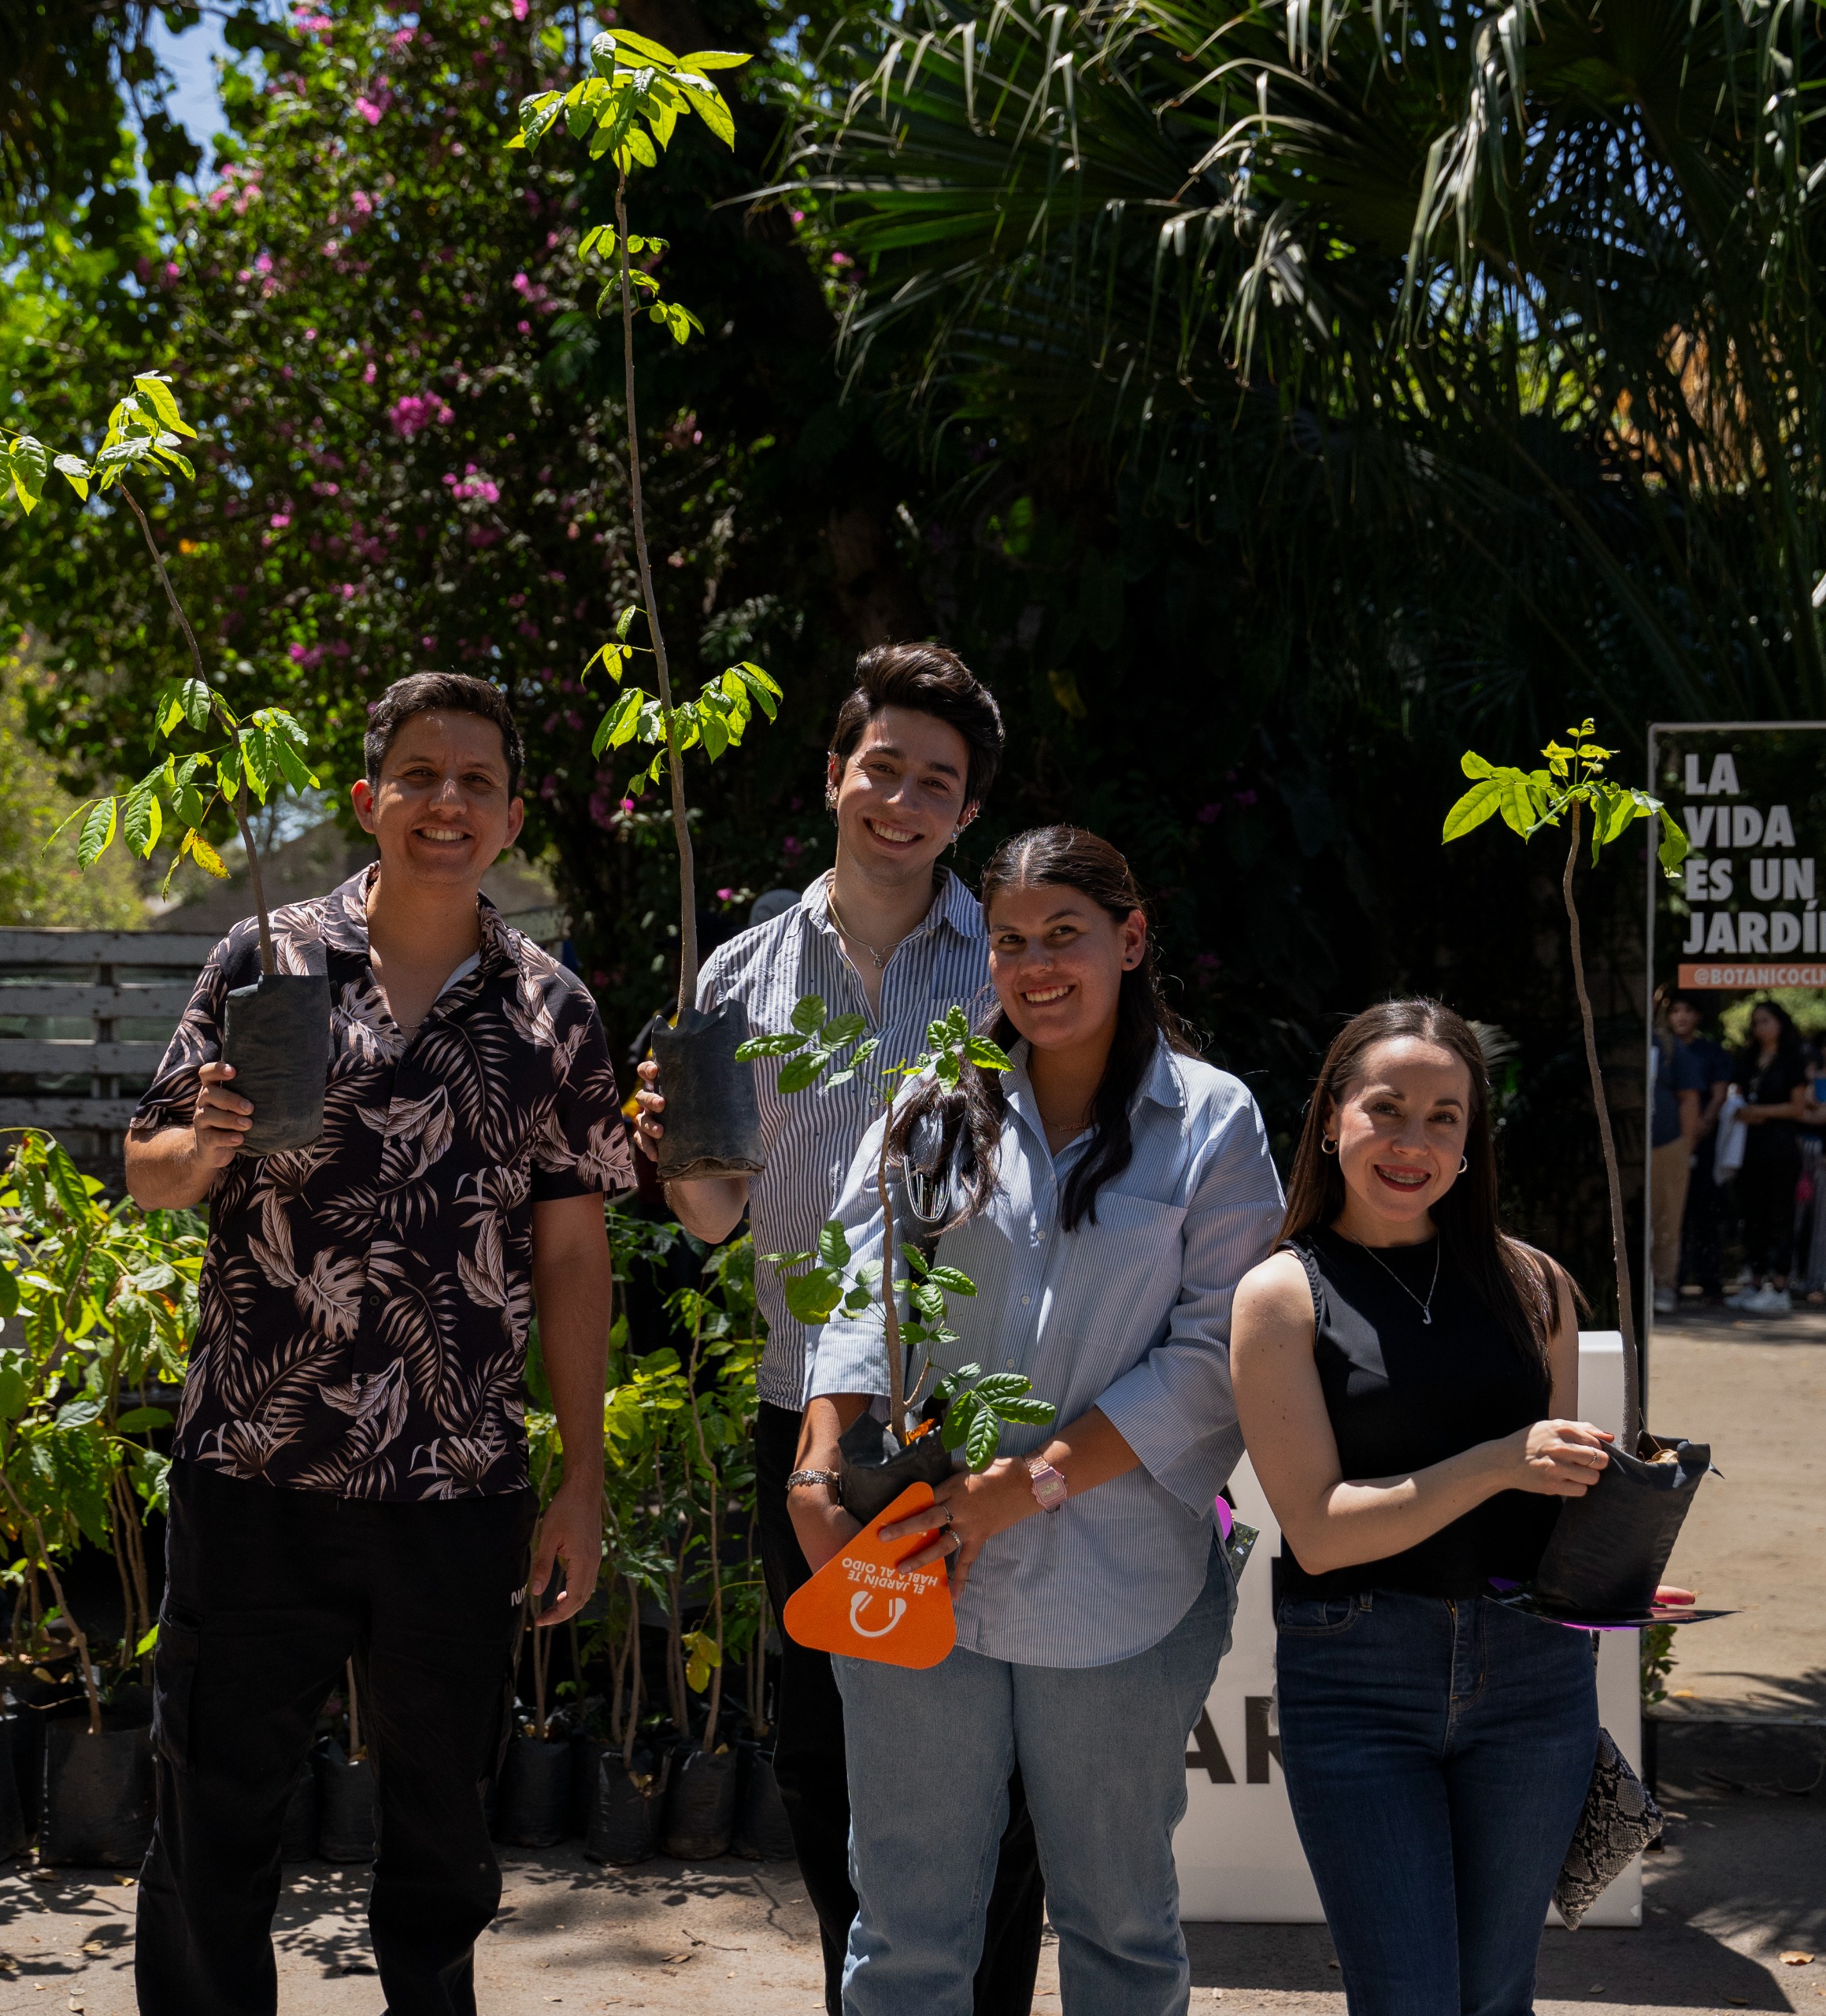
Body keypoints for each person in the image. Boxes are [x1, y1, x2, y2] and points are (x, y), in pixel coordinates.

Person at [127, 673, 632, 2016]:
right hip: (254, 1470)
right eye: (420, 774)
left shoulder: (550, 1015)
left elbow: (574, 1257)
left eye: (475, 781)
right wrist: (206, 1146)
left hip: (454, 1488)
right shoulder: (263, 960)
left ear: (513, 818)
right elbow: (149, 1165)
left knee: (440, 1839)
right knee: (212, 1823)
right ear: (370, 799)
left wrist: (580, 1475)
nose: (445, 802)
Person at [792, 826, 1283, 2016]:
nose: (1037, 965)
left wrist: (1034, 1481)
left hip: (1118, 1588)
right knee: (905, 1932)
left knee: (1117, 1925)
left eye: (1066, 935)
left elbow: (1219, 1351)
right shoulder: (938, 1103)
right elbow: (862, 1294)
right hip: (914, 1572)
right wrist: (817, 1465)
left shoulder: (1211, 1123)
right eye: (1011, 941)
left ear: (1130, 939)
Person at [633, 644, 1047, 2016]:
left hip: (972, 1418)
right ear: (834, 776)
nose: (903, 799)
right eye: (883, 767)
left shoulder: (1008, 970)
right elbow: (709, 1220)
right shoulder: (741, 977)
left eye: (938, 781)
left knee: (991, 1745)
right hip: (806, 1416)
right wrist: (669, 1146)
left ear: (966, 811)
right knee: (827, 1742)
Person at [1230, 1000, 1661, 2016]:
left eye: (1444, 1117)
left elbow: (1548, 1492)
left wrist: (1614, 1565)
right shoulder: (1282, 1295)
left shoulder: (1532, 1284)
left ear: (1472, 1141)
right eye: (1386, 1109)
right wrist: (1497, 1460)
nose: (1411, 1141)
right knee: (1409, 1998)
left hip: (1532, 1678)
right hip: (1359, 1676)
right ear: (1331, 1118)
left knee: (1493, 1994)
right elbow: (1323, 1534)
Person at [1729, 997, 1811, 1315]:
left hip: (1780, 1146)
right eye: (1756, 1021)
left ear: (1780, 1022)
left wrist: (1760, 1112)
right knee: (1753, 1215)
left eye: (1766, 1020)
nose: (1760, 1026)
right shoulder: (1748, 1058)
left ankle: (1780, 1286)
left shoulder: (1793, 1059)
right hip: (1748, 1147)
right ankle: (1755, 1281)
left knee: (1780, 1215)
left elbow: (1798, 1106)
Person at [1670, 994, 1732, 1306]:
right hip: (1671, 1144)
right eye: (1675, 1011)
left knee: (1706, 1216)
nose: (1681, 1017)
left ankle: (1710, 1283)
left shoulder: (1711, 1052)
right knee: (1674, 1215)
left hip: (1706, 1146)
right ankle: (1674, 1282)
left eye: (1687, 1011)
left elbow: (1720, 1093)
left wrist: (1704, 1123)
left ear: (1697, 1016)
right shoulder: (1662, 1049)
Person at [1648, 999, 1705, 1314]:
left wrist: (1685, 1146)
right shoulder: (1618, 1042)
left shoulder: (1669, 1047)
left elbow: (1689, 1098)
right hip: (1625, 1150)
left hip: (1668, 1145)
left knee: (1668, 1219)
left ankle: (1665, 1286)